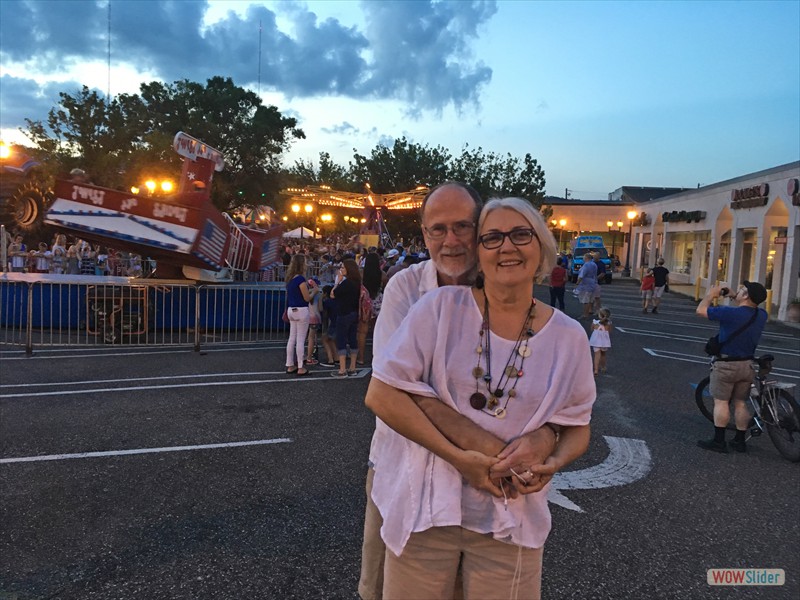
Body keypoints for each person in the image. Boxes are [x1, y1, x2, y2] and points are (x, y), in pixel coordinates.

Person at [365, 197, 595, 599]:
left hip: (511, 517)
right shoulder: (436, 306)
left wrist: (553, 460)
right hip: (426, 509)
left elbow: (577, 424)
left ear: (541, 245)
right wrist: (461, 458)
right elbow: (384, 392)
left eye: (521, 234)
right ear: (481, 251)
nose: (507, 247)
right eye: (493, 238)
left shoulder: (569, 336)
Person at [696, 281, 768, 453]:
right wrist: (734, 294)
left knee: (721, 402)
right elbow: (747, 304)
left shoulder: (729, 313)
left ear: (746, 296)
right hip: (747, 365)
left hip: (727, 365)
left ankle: (719, 441)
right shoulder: (761, 315)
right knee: (740, 403)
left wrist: (711, 295)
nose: (740, 291)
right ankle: (740, 441)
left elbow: (700, 310)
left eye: (743, 290)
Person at [330, 258, 361, 378]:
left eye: (342, 267)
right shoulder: (357, 282)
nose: (340, 269)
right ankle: (353, 367)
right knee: (353, 339)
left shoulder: (346, 283)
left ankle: (342, 369)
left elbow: (333, 294)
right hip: (354, 313)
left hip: (344, 313)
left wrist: (338, 282)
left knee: (341, 340)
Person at [284, 254, 312, 376]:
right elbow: (306, 298)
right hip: (301, 310)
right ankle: (301, 366)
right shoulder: (301, 279)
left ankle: (290, 364)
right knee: (300, 339)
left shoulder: (290, 279)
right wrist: (315, 291)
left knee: (292, 338)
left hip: (291, 310)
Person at [589, 307, 613, 375]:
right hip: (604, 341)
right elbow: (610, 331)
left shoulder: (595, 322)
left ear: (599, 315)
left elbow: (591, 329)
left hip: (596, 341)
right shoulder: (609, 323)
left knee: (597, 355)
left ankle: (596, 370)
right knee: (603, 354)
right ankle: (603, 367)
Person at [574, 252, 597, 319]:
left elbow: (581, 275)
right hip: (592, 283)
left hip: (585, 284)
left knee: (585, 300)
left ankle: (585, 314)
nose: (583, 259)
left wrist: (577, 284)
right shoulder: (594, 264)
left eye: (584, 257)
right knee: (590, 299)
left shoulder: (586, 265)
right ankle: (589, 311)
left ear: (586, 258)